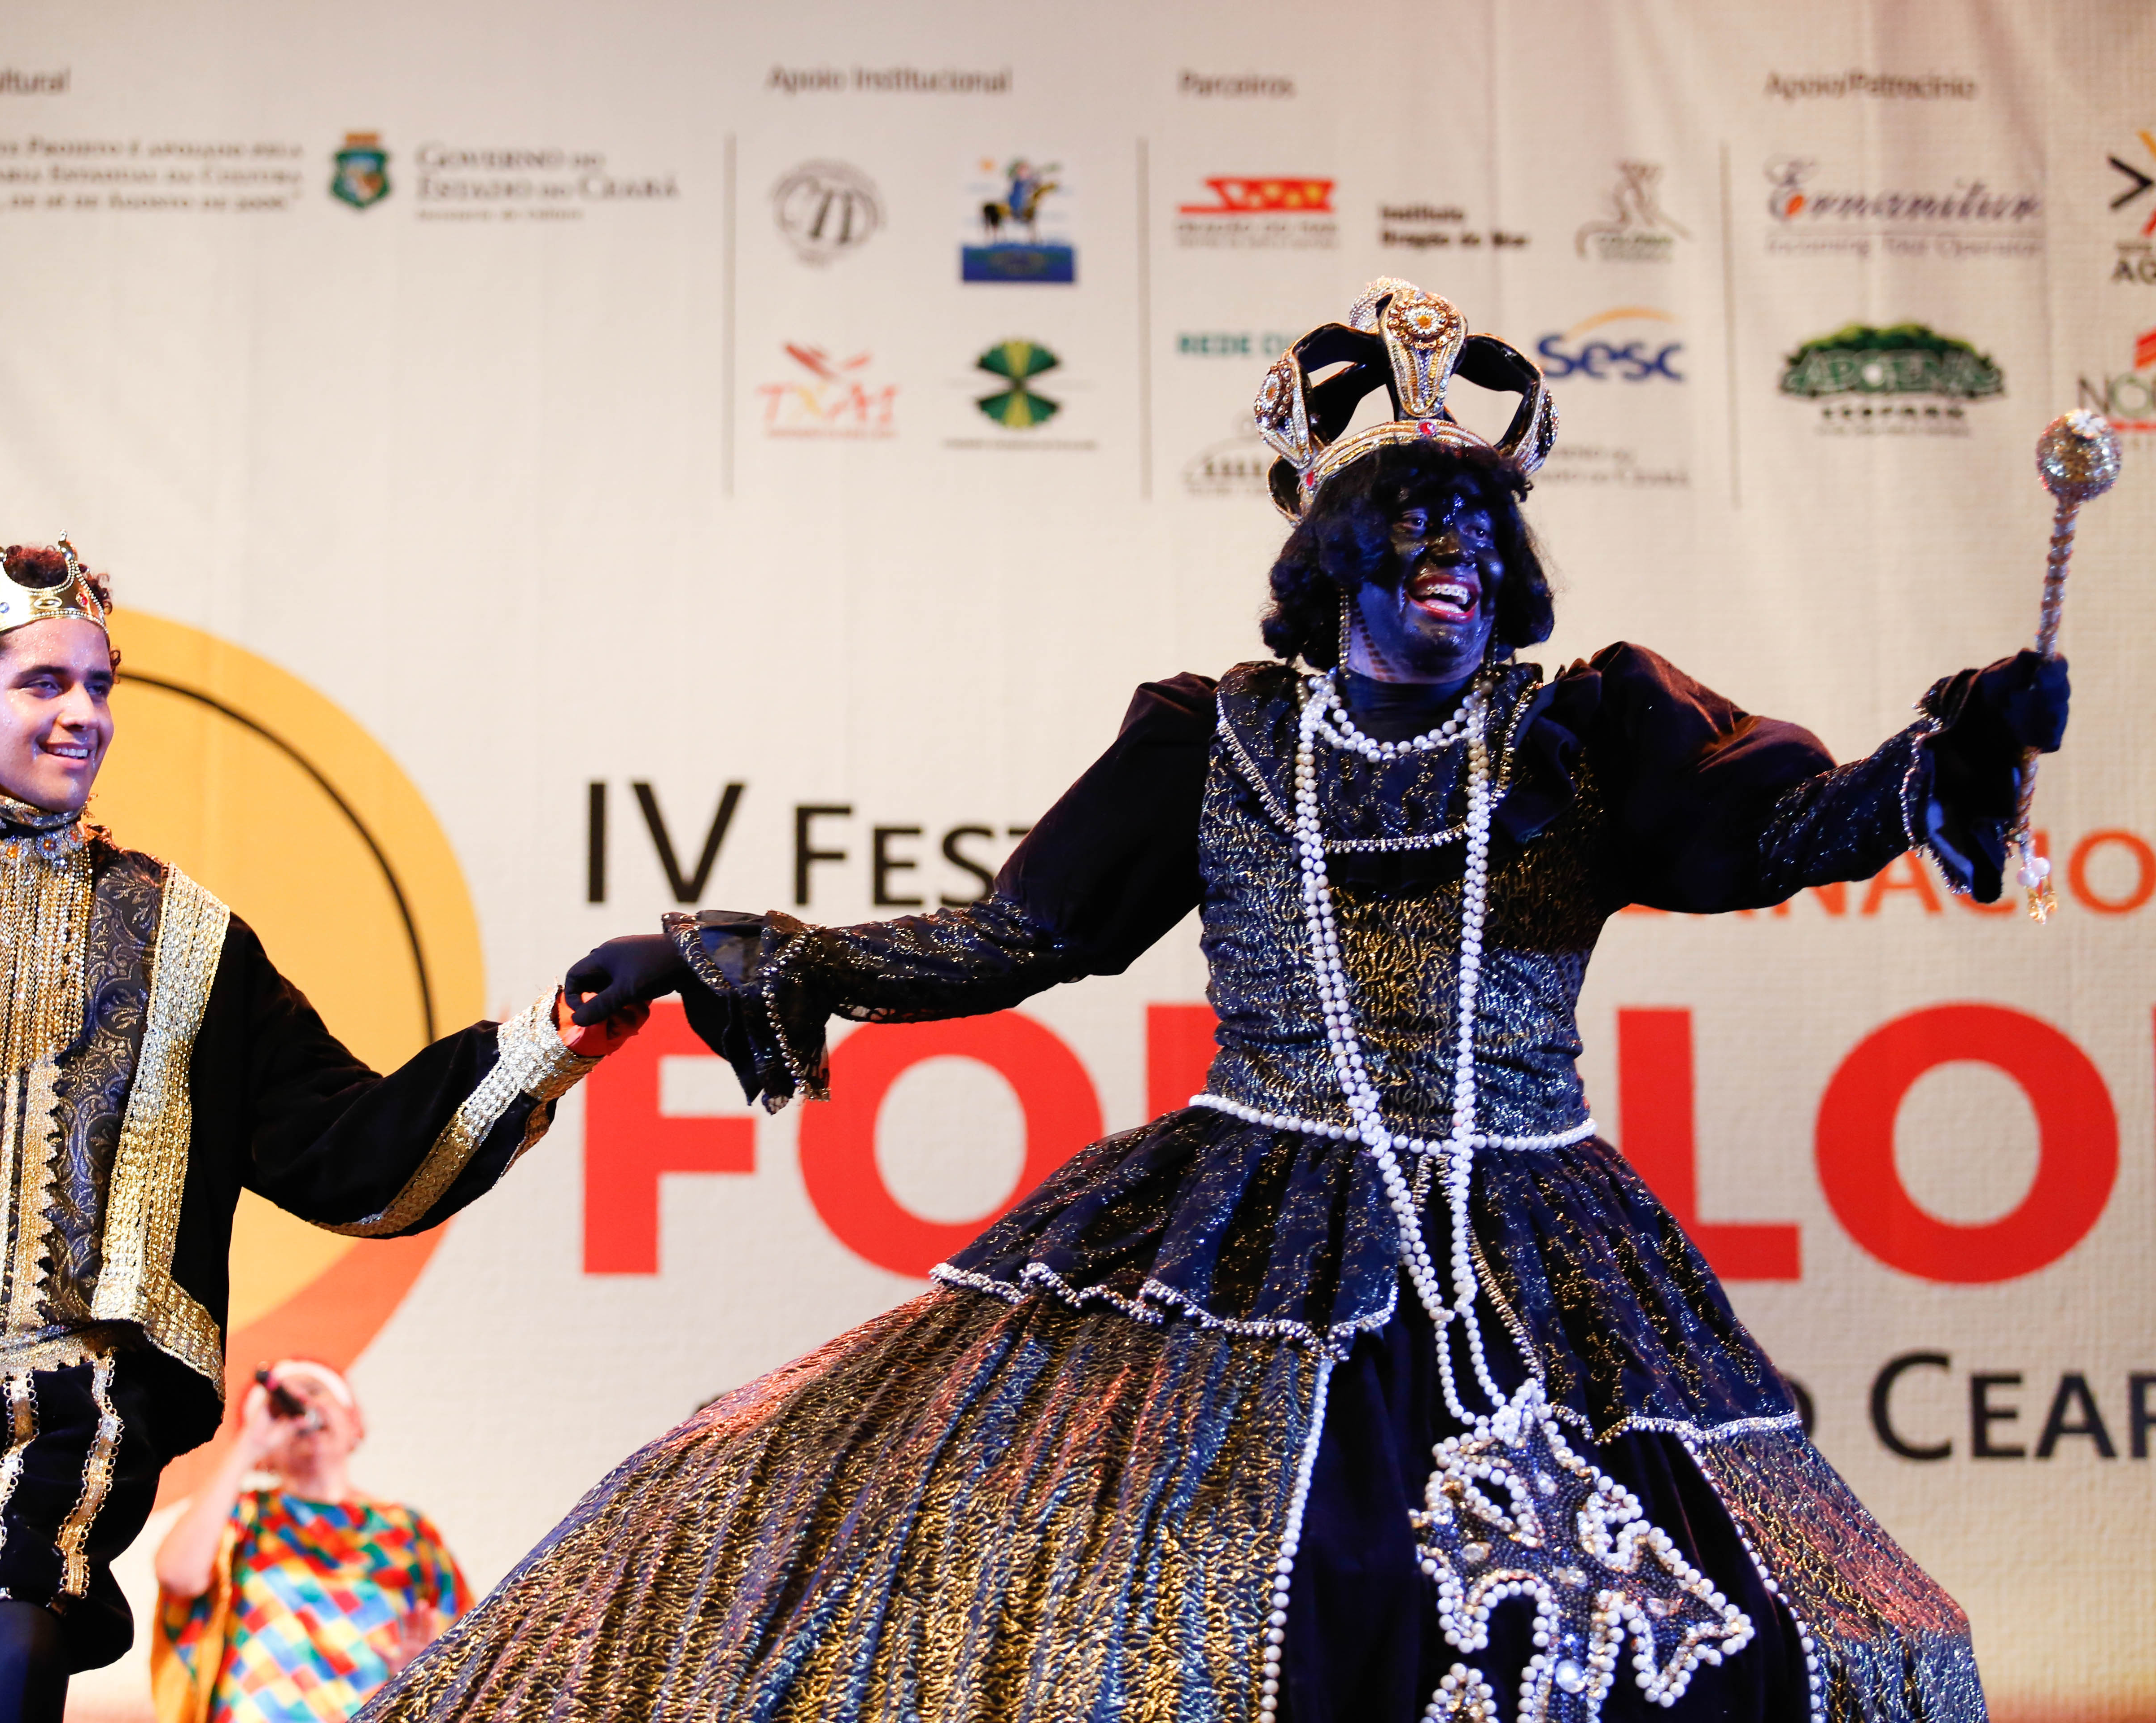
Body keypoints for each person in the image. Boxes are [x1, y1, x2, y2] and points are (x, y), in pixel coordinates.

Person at [361, 282, 2055, 1723]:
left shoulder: (1584, 734)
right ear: (1333, 561)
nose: (1455, 557)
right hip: (1253, 1224)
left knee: (1769, 1628)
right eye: (1416, 529)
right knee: (1170, 1607)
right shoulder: (1219, 738)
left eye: (1480, 532)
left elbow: (1779, 830)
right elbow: (1012, 938)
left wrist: (1945, 759)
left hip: (1537, 1250)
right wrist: (718, 955)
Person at [0, 539, 646, 1723]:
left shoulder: (184, 934)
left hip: (63, 1387)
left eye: (98, 685)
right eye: (45, 683)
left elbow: (343, 1149)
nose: (84, 715)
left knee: (18, 1629)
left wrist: (555, 1037)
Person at [152, 1360, 469, 1723]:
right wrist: (249, 1447)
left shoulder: (409, 1530)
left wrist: (425, 1679)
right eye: (281, 1406)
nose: (302, 1407)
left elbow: (470, 1651)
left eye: (316, 1392)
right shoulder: (246, 1516)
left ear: (355, 1423)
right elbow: (179, 1576)